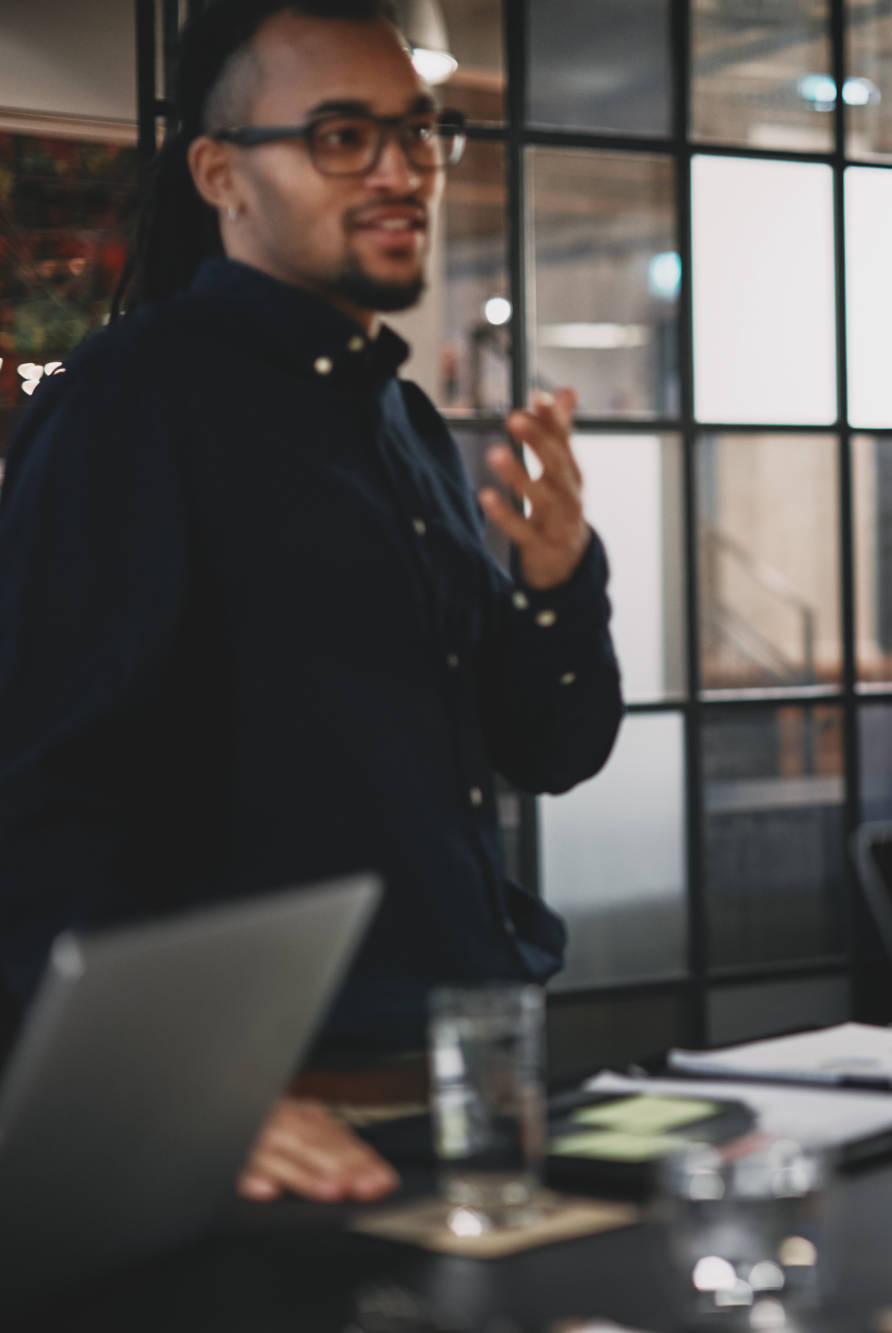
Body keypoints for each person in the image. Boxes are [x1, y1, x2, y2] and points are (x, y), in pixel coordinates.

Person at [0, 0, 622, 1202]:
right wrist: (175, 1093)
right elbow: (37, 803)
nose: (400, 171)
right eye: (341, 135)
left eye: (418, 132)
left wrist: (556, 589)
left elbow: (551, 748)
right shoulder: (132, 400)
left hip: (464, 1086)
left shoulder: (405, 423)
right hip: (269, 1128)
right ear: (222, 174)